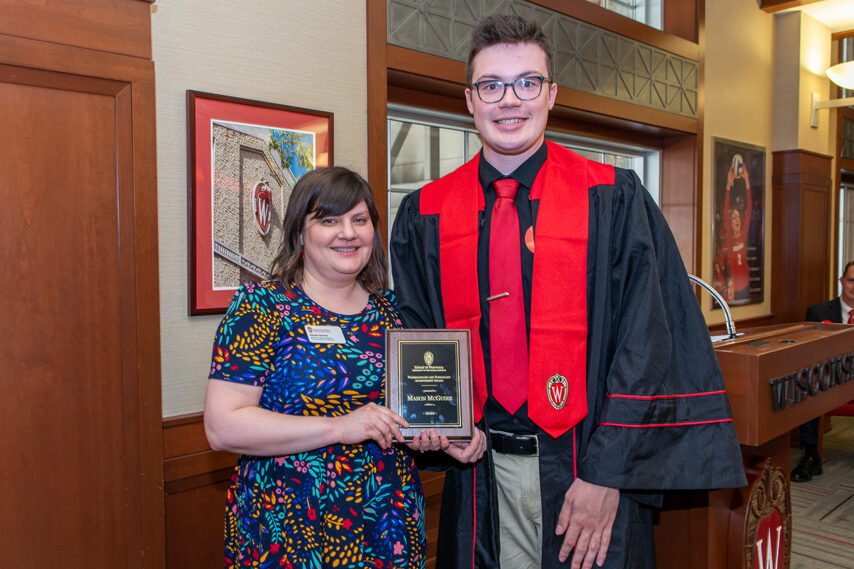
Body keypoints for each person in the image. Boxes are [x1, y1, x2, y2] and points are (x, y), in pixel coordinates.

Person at [390, 14, 746, 569]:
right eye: (491, 86)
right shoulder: (425, 214)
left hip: (585, 468)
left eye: (527, 83)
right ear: (469, 99)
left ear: (551, 94)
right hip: (479, 471)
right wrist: (438, 427)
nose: (510, 100)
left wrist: (607, 474)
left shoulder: (612, 199)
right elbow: (418, 335)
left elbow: (647, 341)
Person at [204, 167, 428, 569]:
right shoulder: (263, 308)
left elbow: (410, 411)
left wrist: (445, 434)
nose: (348, 233)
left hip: (385, 522)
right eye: (329, 221)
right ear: (299, 232)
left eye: (359, 220)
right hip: (289, 526)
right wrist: (340, 427)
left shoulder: (393, 313)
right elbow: (222, 427)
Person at [792, 259, 854, 482]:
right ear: (841, 281)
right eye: (851, 280)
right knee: (806, 386)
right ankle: (811, 456)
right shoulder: (818, 312)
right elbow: (809, 354)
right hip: (831, 380)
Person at [723, 154, 752, 303]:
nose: (736, 220)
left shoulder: (743, 235)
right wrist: (728, 185)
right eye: (733, 217)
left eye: (738, 218)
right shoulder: (730, 237)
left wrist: (747, 181)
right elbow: (725, 210)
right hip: (734, 287)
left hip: (745, 286)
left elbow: (749, 210)